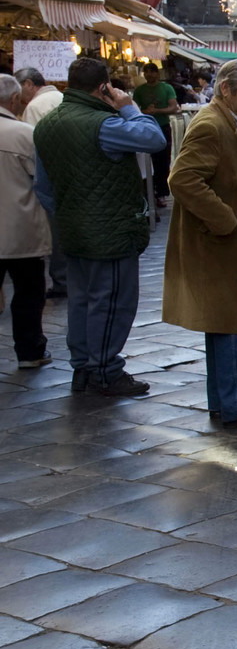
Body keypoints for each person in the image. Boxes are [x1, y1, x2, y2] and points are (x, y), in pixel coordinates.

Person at [31, 54, 167, 396]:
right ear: (104, 86)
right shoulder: (103, 125)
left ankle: (84, 368)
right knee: (113, 302)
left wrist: (69, 212)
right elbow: (154, 139)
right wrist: (129, 106)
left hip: (72, 229)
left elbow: (43, 187)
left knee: (81, 300)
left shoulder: (48, 124)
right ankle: (105, 370)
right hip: (109, 232)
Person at [164, 60, 237, 430]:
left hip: (231, 246)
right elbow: (182, 180)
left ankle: (226, 402)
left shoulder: (228, 121)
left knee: (227, 326)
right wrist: (226, 219)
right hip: (223, 245)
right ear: (225, 88)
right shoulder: (211, 125)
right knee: (235, 327)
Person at [0, 73, 52, 369]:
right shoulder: (24, 134)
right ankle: (30, 351)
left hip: (16, 228)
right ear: (15, 99)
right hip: (21, 228)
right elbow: (42, 182)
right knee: (29, 293)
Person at [16, 70, 68, 295]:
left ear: (28, 84)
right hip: (73, 176)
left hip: (53, 176)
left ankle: (62, 280)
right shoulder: (63, 98)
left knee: (56, 230)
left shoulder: (35, 107)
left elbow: (33, 150)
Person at [132, 60, 179, 207]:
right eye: (146, 72)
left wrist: (157, 111)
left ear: (157, 73)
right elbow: (135, 109)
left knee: (163, 161)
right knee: (147, 162)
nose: (149, 74)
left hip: (163, 126)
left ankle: (162, 192)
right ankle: (150, 192)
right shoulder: (139, 91)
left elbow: (173, 107)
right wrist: (145, 112)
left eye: (152, 71)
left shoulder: (167, 88)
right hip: (145, 128)